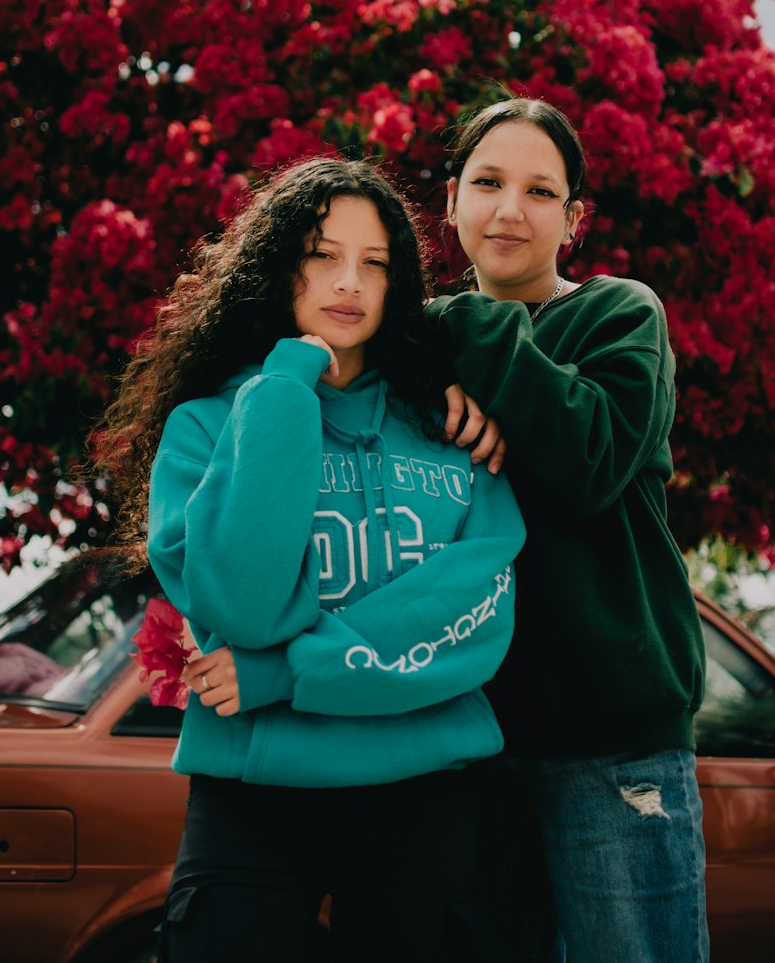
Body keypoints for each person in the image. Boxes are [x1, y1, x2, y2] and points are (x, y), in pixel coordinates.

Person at [93, 157, 525, 963]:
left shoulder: (450, 433)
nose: (349, 283)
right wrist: (284, 387)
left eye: (374, 263)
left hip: (420, 794)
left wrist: (283, 674)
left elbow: (474, 618)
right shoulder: (204, 428)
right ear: (277, 266)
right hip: (255, 802)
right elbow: (243, 605)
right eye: (324, 255)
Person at [428, 98, 709, 963]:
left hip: (611, 745)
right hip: (468, 744)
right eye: (488, 183)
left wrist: (455, 325)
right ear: (451, 200)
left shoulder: (620, 316)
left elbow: (588, 458)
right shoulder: (414, 351)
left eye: (539, 191)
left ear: (573, 219)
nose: (510, 209)